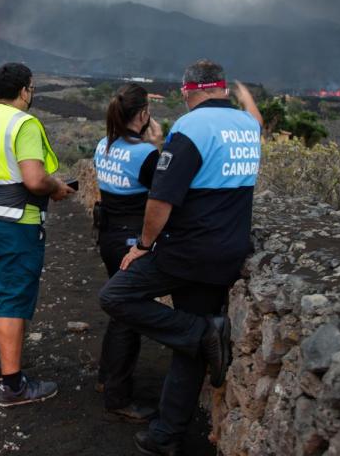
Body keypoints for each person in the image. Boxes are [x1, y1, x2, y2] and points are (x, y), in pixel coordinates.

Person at [99, 59, 263, 455]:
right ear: (221, 89)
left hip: (185, 251)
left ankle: (199, 334)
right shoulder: (247, 127)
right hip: (227, 253)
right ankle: (165, 436)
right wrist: (247, 98)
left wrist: (143, 245)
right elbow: (256, 121)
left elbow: (161, 198)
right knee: (193, 347)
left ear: (189, 92)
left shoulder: (189, 128)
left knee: (115, 297)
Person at [0, 62, 75, 408]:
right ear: (25, 90)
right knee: (12, 299)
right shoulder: (24, 124)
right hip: (18, 224)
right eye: (32, 88)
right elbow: (35, 180)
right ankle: (13, 386)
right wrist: (55, 188)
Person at [93, 83, 163, 421]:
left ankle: (107, 378)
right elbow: (162, 192)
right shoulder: (146, 154)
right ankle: (118, 396)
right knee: (129, 313)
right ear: (144, 114)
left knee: (120, 307)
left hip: (107, 234)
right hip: (130, 242)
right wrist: (157, 144)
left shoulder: (103, 145)